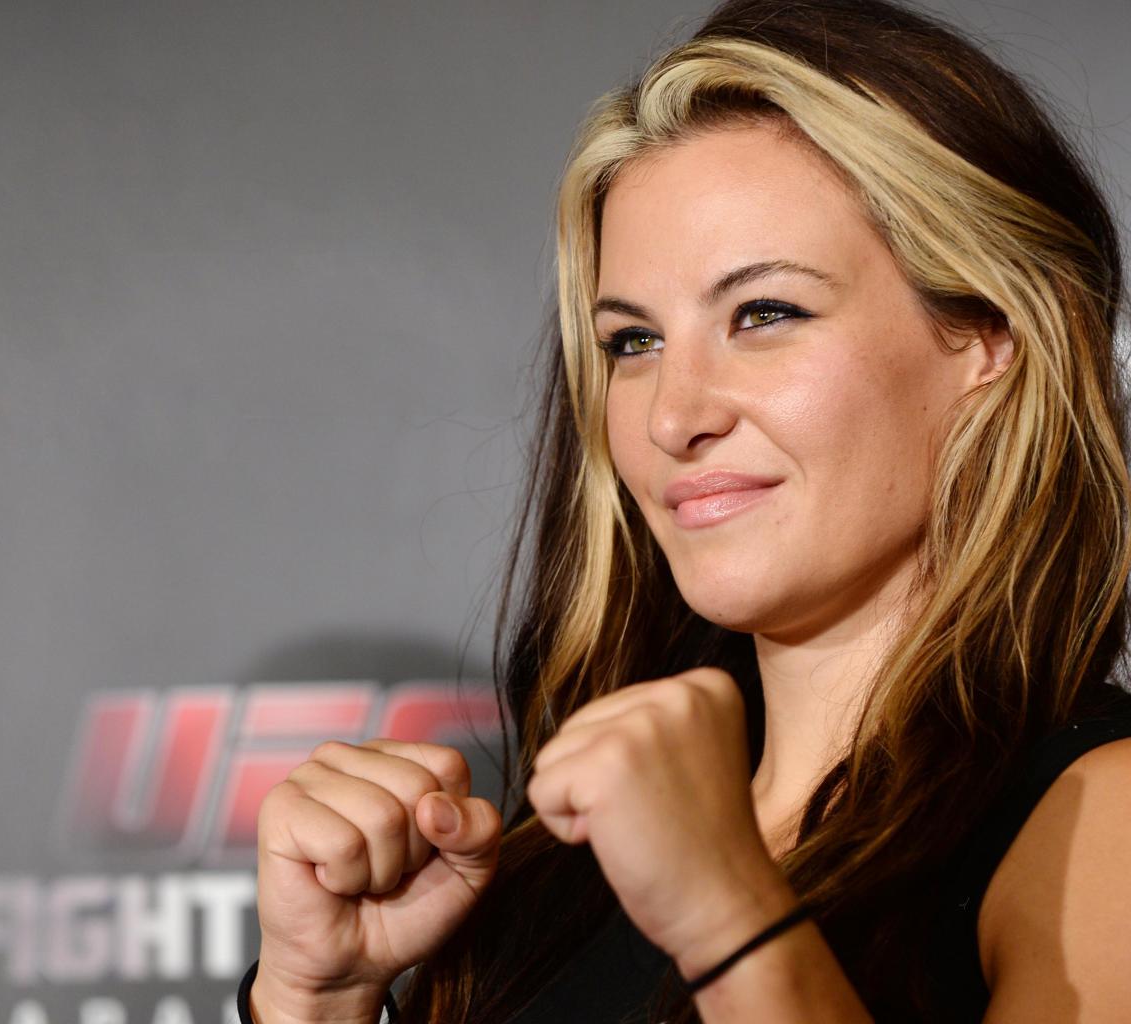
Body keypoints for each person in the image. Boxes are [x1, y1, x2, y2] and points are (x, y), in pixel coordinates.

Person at [237, 0, 1131, 1020]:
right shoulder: (551, 871)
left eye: (764, 313)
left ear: (989, 335)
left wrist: (724, 912)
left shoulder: (1102, 817)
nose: (672, 416)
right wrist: (317, 998)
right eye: (634, 342)